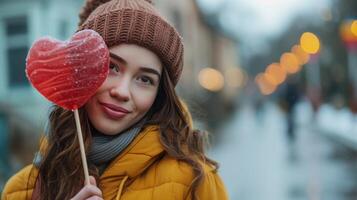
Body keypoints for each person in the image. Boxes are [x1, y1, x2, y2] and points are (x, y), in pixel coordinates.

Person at [1, 0, 228, 199]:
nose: (122, 91)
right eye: (111, 67)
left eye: (145, 79)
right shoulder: (21, 190)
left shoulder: (195, 181)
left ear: (160, 94)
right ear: (79, 69)